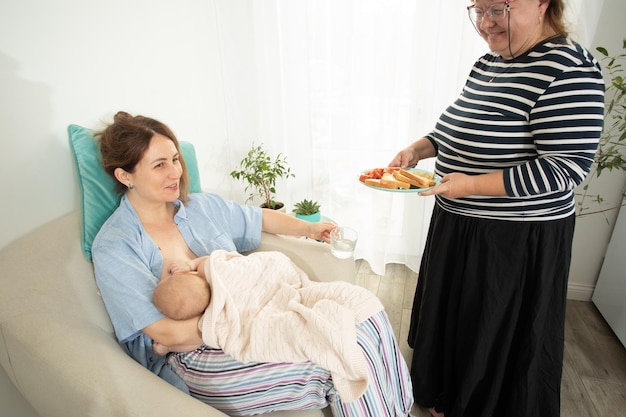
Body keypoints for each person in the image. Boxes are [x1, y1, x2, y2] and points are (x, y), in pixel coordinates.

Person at [91, 111, 414, 417]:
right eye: (160, 165)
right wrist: (231, 323)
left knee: (366, 317)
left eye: (175, 159)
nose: (175, 171)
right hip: (195, 359)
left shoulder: (201, 207)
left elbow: (259, 218)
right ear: (125, 175)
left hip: (255, 318)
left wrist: (309, 228)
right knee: (339, 356)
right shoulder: (116, 245)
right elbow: (166, 335)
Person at [388, 1, 605, 417]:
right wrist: (420, 148)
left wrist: (469, 185)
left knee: (487, 331)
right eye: (478, 9)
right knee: (457, 324)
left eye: (498, 9)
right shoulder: (490, 64)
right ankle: (447, 398)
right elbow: (461, 125)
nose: (485, 24)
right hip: (459, 222)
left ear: (542, 4)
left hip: (513, 239)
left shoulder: (570, 70)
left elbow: (565, 169)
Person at [152, 250, 386, 402]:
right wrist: (191, 264)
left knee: (363, 326)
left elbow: (193, 339)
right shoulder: (207, 274)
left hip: (270, 287)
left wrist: (164, 347)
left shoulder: (210, 318)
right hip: (263, 302)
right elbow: (212, 261)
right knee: (355, 334)